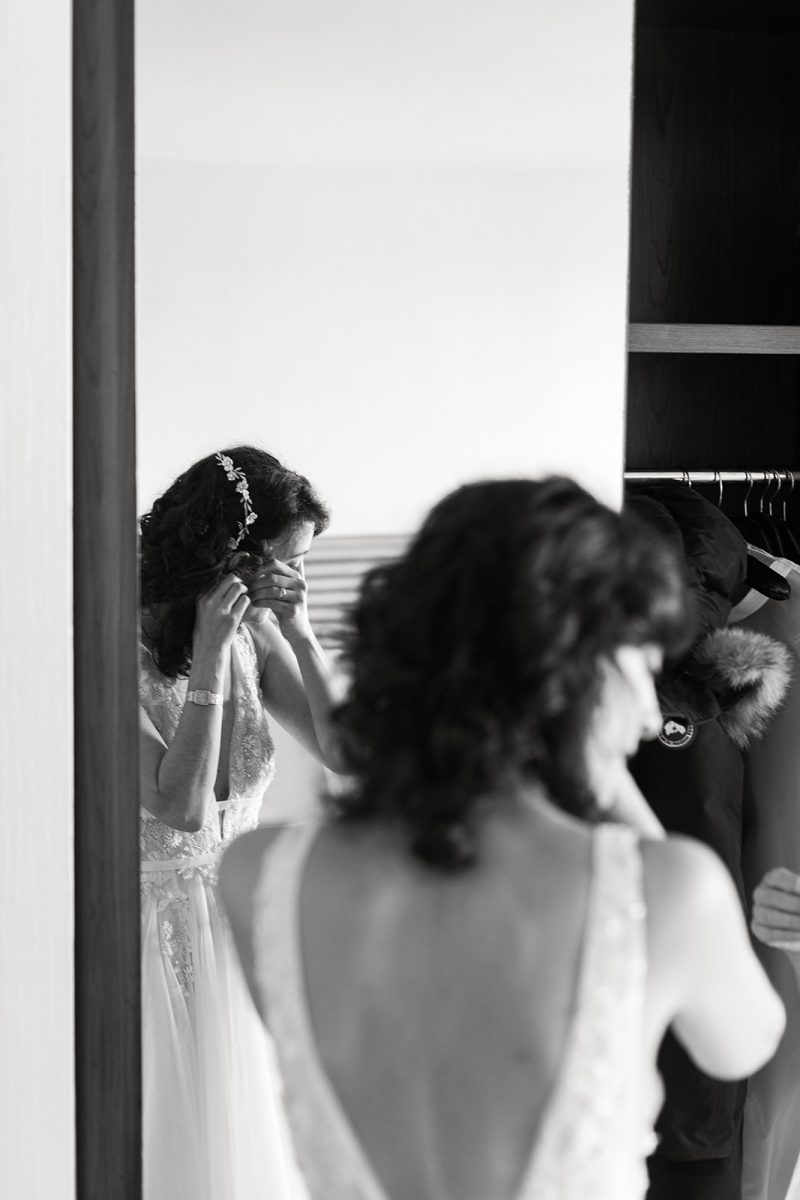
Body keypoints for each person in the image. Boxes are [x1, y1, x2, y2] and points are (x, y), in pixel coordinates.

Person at [220, 476, 785, 1200]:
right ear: (574, 671)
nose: (650, 713)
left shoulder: (260, 875)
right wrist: (605, 773)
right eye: (644, 667)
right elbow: (745, 1040)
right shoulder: (665, 888)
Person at [138, 445, 342, 1200]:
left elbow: (345, 751)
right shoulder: (104, 642)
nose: (289, 581)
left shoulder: (262, 629)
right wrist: (212, 652)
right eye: (284, 563)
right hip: (149, 935)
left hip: (241, 923)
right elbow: (182, 806)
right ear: (230, 554)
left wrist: (305, 630)